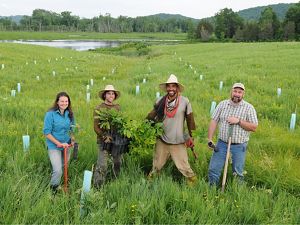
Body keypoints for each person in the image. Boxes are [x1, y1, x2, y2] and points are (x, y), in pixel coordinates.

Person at [147, 74, 197, 185]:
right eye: (169, 86)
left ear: (177, 88)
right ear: (166, 88)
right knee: (156, 166)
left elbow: (190, 121)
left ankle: (194, 186)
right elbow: (151, 116)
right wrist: (146, 126)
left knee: (184, 167)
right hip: (162, 140)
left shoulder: (185, 102)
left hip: (178, 141)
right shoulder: (160, 100)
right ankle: (149, 185)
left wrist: (191, 136)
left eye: (173, 86)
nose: (171, 89)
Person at [207, 83, 258, 186]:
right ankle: (211, 191)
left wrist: (238, 121)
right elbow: (214, 121)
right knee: (213, 169)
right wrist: (210, 138)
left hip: (239, 146)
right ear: (231, 91)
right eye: (235, 91)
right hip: (221, 144)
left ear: (243, 94)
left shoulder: (249, 108)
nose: (237, 94)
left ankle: (237, 193)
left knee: (237, 172)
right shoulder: (222, 104)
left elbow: (254, 127)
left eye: (240, 92)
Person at [43, 91, 76, 193]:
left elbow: (72, 129)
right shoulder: (50, 114)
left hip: (66, 145)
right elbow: (47, 132)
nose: (64, 103)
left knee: (63, 166)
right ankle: (53, 190)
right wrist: (58, 143)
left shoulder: (70, 114)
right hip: (54, 145)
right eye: (62, 101)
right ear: (57, 102)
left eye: (66, 101)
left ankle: (58, 182)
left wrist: (73, 139)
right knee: (58, 170)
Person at [93, 84, 123, 188]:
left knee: (118, 162)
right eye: (109, 93)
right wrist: (104, 136)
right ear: (105, 95)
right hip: (103, 140)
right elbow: (96, 127)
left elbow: (120, 123)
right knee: (102, 164)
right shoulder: (99, 108)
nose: (111, 95)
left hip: (116, 140)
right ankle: (98, 186)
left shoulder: (117, 108)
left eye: (112, 94)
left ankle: (116, 182)